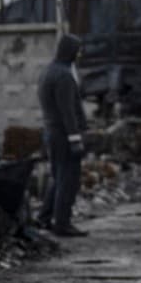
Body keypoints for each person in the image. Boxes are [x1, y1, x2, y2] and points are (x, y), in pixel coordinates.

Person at [36, 33, 88, 238]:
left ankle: (44, 218)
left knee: (58, 178)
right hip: (64, 136)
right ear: (71, 52)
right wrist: (75, 139)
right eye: (78, 50)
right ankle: (63, 224)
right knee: (68, 180)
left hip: (53, 133)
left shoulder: (48, 71)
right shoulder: (64, 76)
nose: (80, 54)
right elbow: (67, 111)